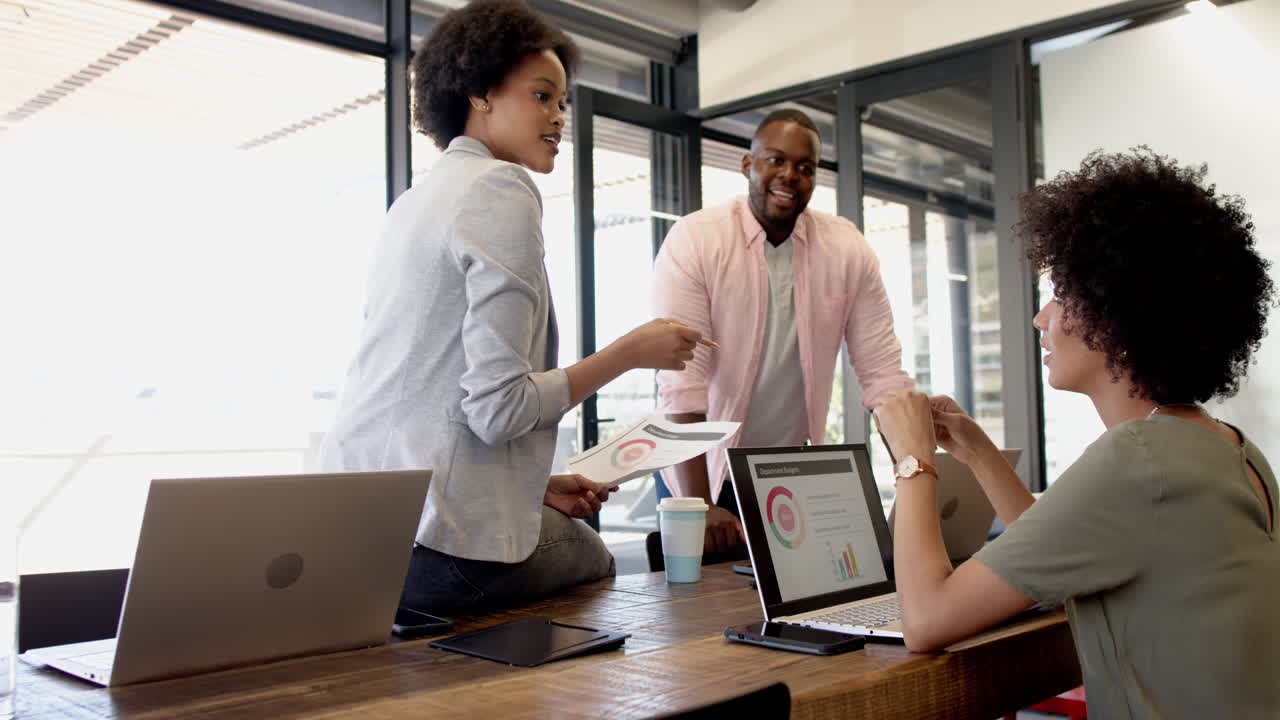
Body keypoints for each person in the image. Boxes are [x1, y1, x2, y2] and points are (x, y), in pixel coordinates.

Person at [320, 0, 708, 614]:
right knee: (596, 557)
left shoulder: (416, 200)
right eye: (542, 95)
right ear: (479, 92)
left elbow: (428, 396)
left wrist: (533, 488)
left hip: (350, 534)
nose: (558, 116)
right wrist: (630, 353)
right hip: (433, 551)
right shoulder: (500, 187)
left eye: (562, 102)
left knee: (556, 534)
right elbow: (498, 410)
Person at [875, 148, 1278, 718]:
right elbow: (1063, 550)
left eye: (1062, 296)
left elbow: (925, 620)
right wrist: (978, 452)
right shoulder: (1232, 449)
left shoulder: (1137, 459)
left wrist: (912, 459)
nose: (1042, 318)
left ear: (1119, 319)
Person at [652, 109, 913, 553]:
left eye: (805, 167)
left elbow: (884, 377)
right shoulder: (696, 238)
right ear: (747, 165)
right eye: (776, 160)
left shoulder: (847, 249)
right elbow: (682, 385)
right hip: (698, 468)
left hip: (785, 469)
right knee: (705, 595)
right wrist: (698, 504)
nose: (790, 175)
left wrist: (914, 475)